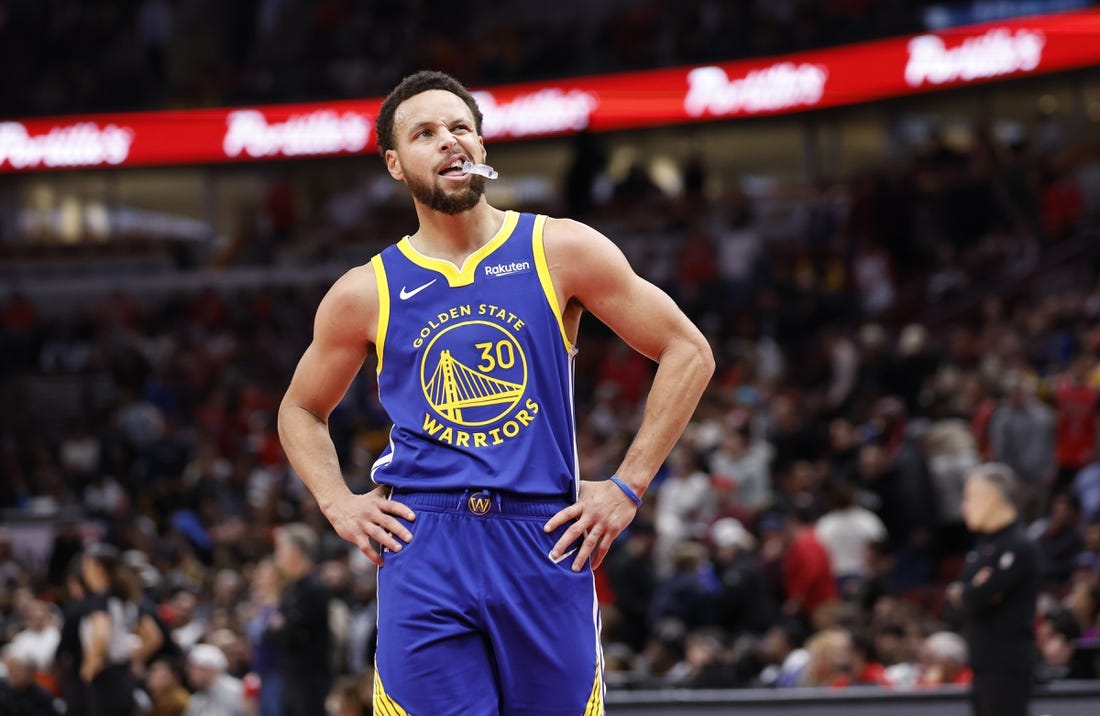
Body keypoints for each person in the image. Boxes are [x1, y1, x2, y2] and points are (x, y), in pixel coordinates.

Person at [278, 70, 714, 715]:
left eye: (460, 128)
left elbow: (689, 351)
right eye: (425, 134)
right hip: (424, 540)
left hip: (543, 536)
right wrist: (339, 503)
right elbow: (300, 409)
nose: (449, 142)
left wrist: (627, 486)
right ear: (396, 165)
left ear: (481, 147)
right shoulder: (363, 291)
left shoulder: (559, 247)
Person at [947, 463, 1040, 716]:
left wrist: (972, 593)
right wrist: (971, 593)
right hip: (982, 661)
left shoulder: (1019, 545)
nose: (964, 507)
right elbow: (958, 596)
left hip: (1007, 664)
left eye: (970, 497)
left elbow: (976, 596)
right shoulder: (983, 547)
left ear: (994, 497)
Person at [268, 523, 331, 716]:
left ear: (295, 551)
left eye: (281, 548)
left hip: (310, 681)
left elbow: (291, 633)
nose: (277, 555)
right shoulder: (292, 590)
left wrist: (282, 627)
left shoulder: (314, 589)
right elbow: (271, 634)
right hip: (292, 677)